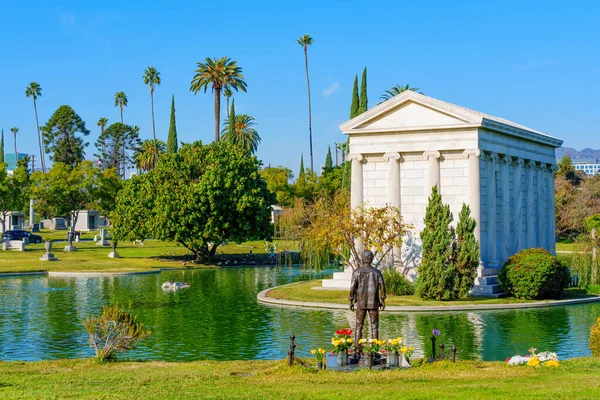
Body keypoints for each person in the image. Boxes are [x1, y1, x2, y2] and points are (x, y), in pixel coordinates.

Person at [349, 250, 386, 354]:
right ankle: (374, 351)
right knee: (375, 327)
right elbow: (382, 286)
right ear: (371, 259)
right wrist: (383, 300)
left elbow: (352, 287)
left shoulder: (356, 272)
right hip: (374, 303)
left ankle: (357, 350)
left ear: (362, 258)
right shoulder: (377, 272)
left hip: (360, 303)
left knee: (358, 327)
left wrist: (351, 300)